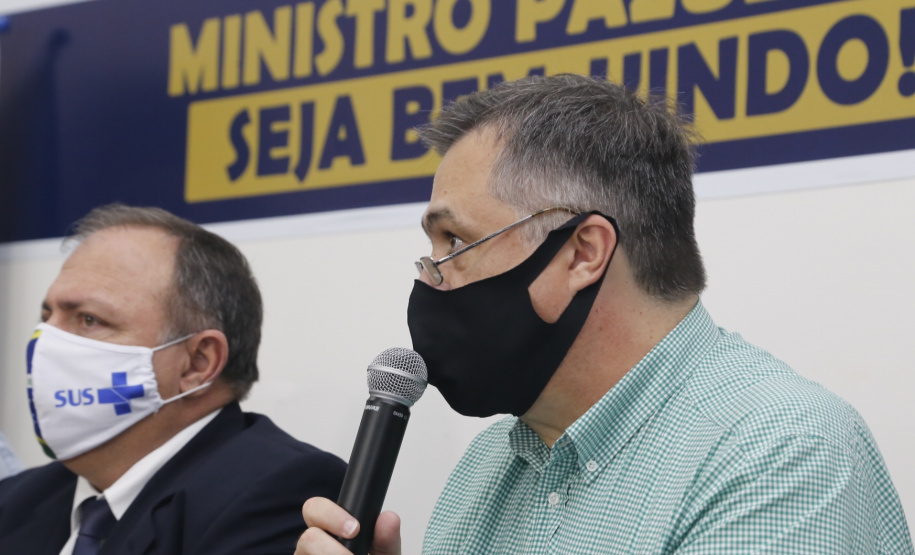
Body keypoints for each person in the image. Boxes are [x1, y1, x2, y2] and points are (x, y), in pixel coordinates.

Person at [296, 74, 913, 553]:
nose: (431, 277)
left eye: (454, 243)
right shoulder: (487, 466)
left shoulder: (778, 454)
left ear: (582, 253)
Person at [0, 204, 346, 554]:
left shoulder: (280, 492)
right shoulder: (16, 500)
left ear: (197, 363)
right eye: (47, 316)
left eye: (89, 319)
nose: (44, 342)